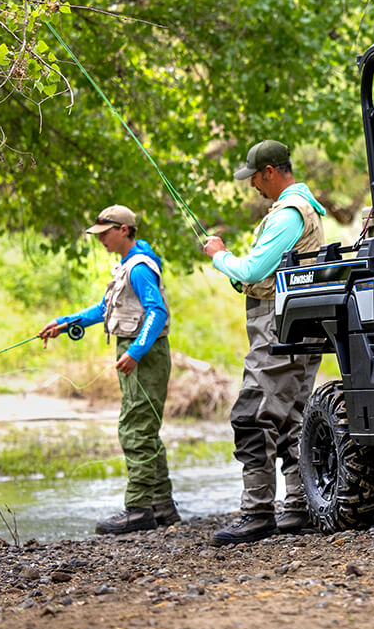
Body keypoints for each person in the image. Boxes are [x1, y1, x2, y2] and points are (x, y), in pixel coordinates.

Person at [201, 139, 326, 545]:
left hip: (278, 328)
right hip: (296, 324)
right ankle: (299, 506)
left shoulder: (288, 214)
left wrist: (219, 255)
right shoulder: (304, 208)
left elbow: (254, 269)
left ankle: (256, 513)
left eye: (254, 177)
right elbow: (264, 273)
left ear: (269, 172)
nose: (252, 185)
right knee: (291, 417)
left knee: (251, 416)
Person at [38, 205, 179, 535]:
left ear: (124, 230)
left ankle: (139, 510)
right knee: (144, 428)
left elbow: (157, 312)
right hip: (139, 354)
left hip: (145, 356)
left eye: (105, 233)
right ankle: (162, 507)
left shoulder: (140, 269)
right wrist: (64, 323)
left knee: (135, 429)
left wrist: (136, 351)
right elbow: (105, 309)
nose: (100, 239)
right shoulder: (128, 264)